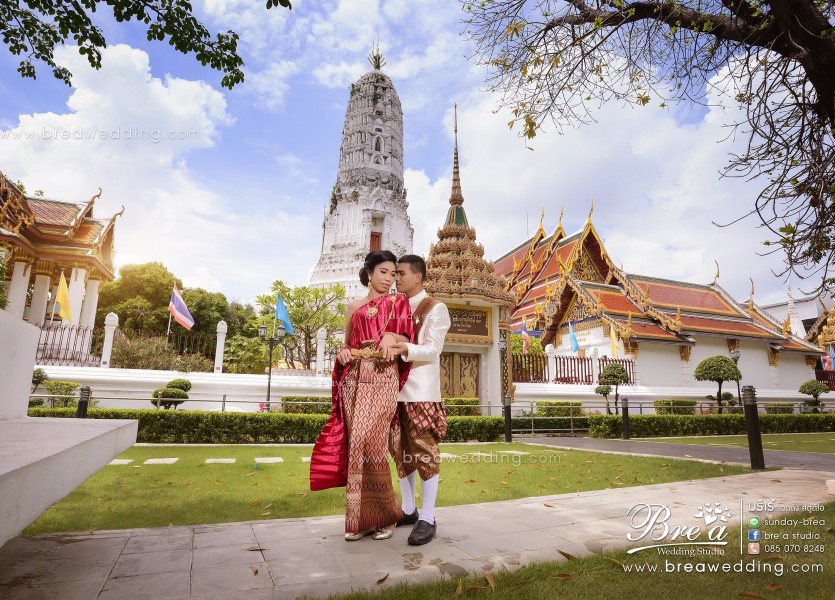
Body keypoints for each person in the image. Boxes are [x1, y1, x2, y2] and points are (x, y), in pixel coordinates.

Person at [313, 250, 414, 541]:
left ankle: (386, 516)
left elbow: (408, 338)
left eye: (394, 274)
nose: (390, 279)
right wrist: (344, 353)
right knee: (357, 443)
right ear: (369, 273)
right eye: (384, 272)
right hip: (354, 378)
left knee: (371, 441)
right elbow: (346, 345)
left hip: (383, 374)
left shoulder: (399, 302)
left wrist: (392, 337)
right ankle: (359, 521)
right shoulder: (353, 306)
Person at [389, 254, 451, 546]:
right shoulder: (393, 306)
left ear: (418, 277)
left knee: (424, 453)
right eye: (394, 273)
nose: (395, 278)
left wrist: (402, 346)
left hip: (420, 391)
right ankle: (408, 509)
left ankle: (428, 516)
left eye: (401, 273)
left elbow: (431, 350)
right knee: (401, 452)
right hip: (392, 391)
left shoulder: (435, 308)